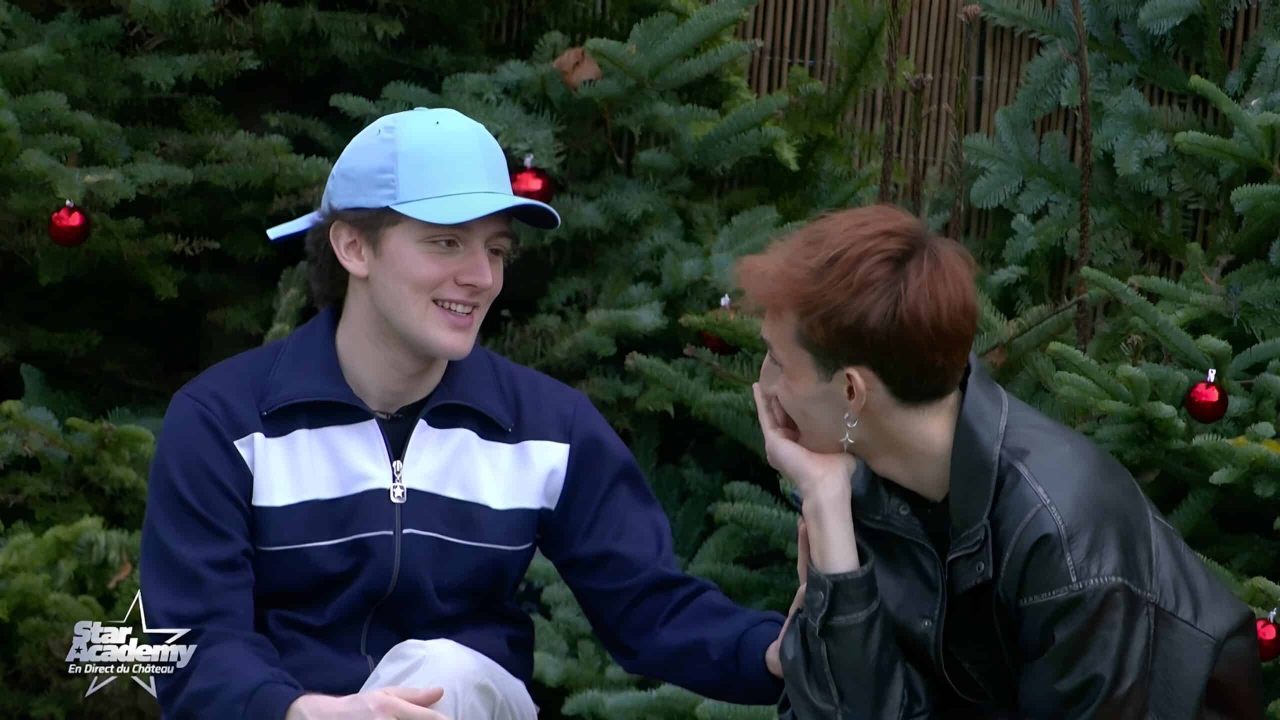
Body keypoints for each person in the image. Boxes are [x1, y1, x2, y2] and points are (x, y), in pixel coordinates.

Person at [139, 107, 786, 720]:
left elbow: (649, 607)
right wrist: (300, 710)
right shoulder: (224, 422)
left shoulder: (548, 429)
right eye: (446, 243)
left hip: (469, 702)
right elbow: (190, 639)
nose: (481, 276)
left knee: (445, 671)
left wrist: (784, 653)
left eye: (496, 250)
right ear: (354, 248)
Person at [736, 204, 1265, 719]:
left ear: (852, 391)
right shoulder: (860, 485)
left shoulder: (1066, 538)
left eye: (778, 361)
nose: (765, 387)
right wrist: (830, 524)